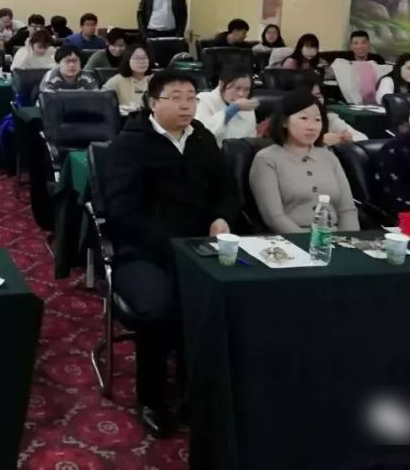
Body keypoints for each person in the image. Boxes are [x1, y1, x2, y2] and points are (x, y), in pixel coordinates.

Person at [104, 69, 238, 435]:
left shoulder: (202, 139)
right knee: (159, 307)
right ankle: (151, 397)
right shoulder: (129, 145)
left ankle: (196, 389)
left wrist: (222, 218)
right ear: (152, 103)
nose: (185, 106)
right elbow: (122, 211)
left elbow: (227, 190)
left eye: (191, 98)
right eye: (175, 98)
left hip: (201, 247)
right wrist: (172, 246)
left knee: (225, 299)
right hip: (143, 250)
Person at [249, 90, 360, 234]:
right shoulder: (266, 159)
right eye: (304, 118)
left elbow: (347, 209)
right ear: (284, 121)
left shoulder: (329, 157)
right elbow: (274, 217)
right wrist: (311, 242)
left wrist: (348, 239)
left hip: (335, 237)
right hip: (292, 239)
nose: (312, 126)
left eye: (317, 120)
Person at [195, 64, 258, 144]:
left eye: (246, 89)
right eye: (237, 88)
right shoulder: (203, 100)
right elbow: (202, 134)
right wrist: (231, 110)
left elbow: (251, 138)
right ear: (221, 84)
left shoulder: (247, 107)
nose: (241, 94)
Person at [102, 44, 152, 114]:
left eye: (144, 58)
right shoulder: (117, 80)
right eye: (136, 58)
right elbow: (102, 100)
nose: (141, 61)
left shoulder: (154, 80)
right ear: (127, 60)